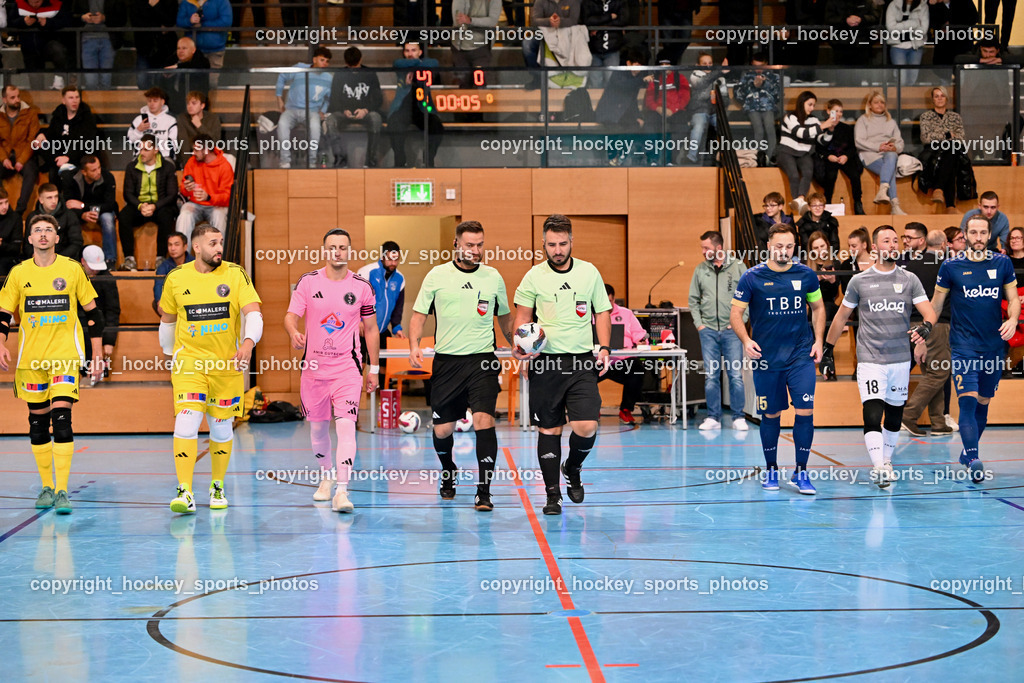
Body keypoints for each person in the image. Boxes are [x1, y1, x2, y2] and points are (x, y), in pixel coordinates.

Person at [0, 214, 104, 514]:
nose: (43, 234)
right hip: (31, 360)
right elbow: (4, 314)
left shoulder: (71, 270)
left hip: (65, 358)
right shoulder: (19, 274)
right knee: (37, 425)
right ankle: (46, 486)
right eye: (37, 230)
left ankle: (61, 490)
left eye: (49, 230)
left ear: (57, 238)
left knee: (62, 420)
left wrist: (97, 354)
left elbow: (94, 314)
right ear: (29, 239)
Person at [408, 221, 515, 510]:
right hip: (447, 363)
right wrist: (414, 344)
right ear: (456, 244)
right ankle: (448, 471)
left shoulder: (493, 277)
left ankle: (484, 490)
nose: (475, 250)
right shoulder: (437, 275)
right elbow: (418, 316)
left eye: (480, 244)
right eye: (469, 245)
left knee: (484, 421)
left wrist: (514, 343)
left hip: (482, 360)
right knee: (443, 430)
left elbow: (504, 317)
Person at [820, 225, 936, 488]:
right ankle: (878, 466)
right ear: (874, 248)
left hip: (900, 359)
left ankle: (886, 461)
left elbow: (929, 312)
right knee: (872, 413)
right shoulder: (859, 281)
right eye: (887, 241)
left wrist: (926, 328)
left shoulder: (909, 279)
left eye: (896, 240)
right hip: (870, 359)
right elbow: (840, 317)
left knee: (894, 416)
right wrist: (828, 349)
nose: (893, 245)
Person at [159, 224, 263, 513]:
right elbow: (167, 320)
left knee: (220, 429)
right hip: (189, 364)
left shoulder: (235, 273)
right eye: (213, 243)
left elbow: (254, 313)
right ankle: (185, 491)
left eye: (221, 242)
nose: (219, 248)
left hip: (226, 366)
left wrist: (248, 342)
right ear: (197, 247)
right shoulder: (177, 278)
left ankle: (217, 486)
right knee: (186, 422)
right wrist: (171, 355)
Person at [512, 214, 612, 515]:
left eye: (563, 243)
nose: (558, 249)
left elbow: (602, 312)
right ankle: (552, 495)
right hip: (545, 363)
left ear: (572, 242)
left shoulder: (589, 272)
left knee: (586, 425)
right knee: (549, 429)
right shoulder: (533, 276)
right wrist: (521, 346)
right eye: (552, 244)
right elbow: (522, 316)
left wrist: (605, 347)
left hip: (582, 361)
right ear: (543, 243)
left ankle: (573, 466)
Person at [285, 228, 380, 514]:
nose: (337, 252)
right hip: (314, 370)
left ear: (349, 251)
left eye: (343, 247)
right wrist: (293, 331)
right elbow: (291, 316)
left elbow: (372, 329)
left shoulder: (362, 287)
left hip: (347, 370)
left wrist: (373, 368)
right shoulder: (307, 282)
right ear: (324, 250)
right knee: (317, 428)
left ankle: (342, 490)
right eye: (332, 247)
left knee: (346, 426)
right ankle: (325, 477)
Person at [730, 224, 825, 494]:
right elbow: (735, 314)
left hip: (800, 356)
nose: (784, 251)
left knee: (805, 411)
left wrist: (818, 340)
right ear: (769, 245)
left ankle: (801, 472)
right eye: (779, 246)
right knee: (771, 414)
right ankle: (771, 469)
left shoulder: (806, 275)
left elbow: (818, 307)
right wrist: (746, 341)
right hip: (767, 359)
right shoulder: (751, 277)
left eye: (789, 246)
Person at [931, 214, 1020, 482]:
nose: (978, 238)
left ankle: (968, 455)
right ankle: (974, 457)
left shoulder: (1002, 263)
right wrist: (925, 329)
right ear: (965, 234)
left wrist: (1013, 319)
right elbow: (936, 304)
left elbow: (1013, 298)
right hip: (963, 347)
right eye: (973, 233)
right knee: (967, 402)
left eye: (983, 233)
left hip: (993, 346)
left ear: (990, 235)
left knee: (983, 402)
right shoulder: (950, 266)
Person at [689, 230, 748, 431]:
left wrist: (741, 321)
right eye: (702, 248)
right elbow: (693, 300)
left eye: (706, 248)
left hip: (733, 331)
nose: (703, 252)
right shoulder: (700, 270)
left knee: (735, 375)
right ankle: (713, 417)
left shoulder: (739, 267)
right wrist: (700, 324)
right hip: (708, 331)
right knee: (711, 375)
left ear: (718, 248)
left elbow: (751, 298)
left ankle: (739, 416)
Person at [902, 229, 954, 436]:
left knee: (932, 373)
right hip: (936, 323)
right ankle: (909, 414)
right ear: (943, 245)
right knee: (939, 372)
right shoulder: (945, 265)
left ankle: (938, 422)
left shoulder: (910, 264)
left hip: (913, 323)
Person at [119, 134, 179, 270]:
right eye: (140, 149)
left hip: (160, 206)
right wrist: (141, 206)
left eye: (146, 150)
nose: (142, 153)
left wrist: (154, 206)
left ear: (156, 150)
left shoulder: (167, 167)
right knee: (124, 216)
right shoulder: (132, 167)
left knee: (166, 215)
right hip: (139, 206)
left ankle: (161, 258)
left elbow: (172, 194)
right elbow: (127, 193)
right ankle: (129, 259)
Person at [387, 42, 444, 168]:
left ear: (420, 52)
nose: (410, 54)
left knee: (437, 126)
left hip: (422, 107)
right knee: (393, 125)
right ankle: (400, 161)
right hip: (403, 107)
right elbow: (398, 63)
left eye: (413, 50)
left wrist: (416, 65)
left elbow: (434, 63)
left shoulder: (426, 64)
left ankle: (428, 159)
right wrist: (419, 64)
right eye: (407, 51)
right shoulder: (400, 64)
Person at [778, 91, 834, 217]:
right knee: (793, 175)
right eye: (810, 104)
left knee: (808, 172)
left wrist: (829, 130)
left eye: (814, 105)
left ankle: (800, 199)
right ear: (801, 103)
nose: (812, 108)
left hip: (804, 153)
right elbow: (800, 132)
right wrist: (822, 126)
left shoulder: (813, 119)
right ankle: (800, 202)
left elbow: (822, 141)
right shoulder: (790, 117)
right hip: (787, 151)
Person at [326, 46, 384, 169]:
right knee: (331, 120)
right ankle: (340, 159)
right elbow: (334, 98)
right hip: (344, 112)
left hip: (365, 112)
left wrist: (365, 110)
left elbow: (378, 99)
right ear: (346, 63)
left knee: (376, 118)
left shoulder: (370, 73)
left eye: (355, 66)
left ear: (361, 60)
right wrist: (343, 110)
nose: (353, 69)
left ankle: (371, 160)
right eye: (351, 66)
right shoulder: (340, 74)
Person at [276, 47, 333, 169]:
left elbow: (329, 98)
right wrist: (279, 98)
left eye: (327, 61)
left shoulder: (328, 77)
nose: (325, 63)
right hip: (291, 109)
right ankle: (285, 161)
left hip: (312, 111)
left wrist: (323, 110)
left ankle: (311, 161)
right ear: (314, 59)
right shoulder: (300, 67)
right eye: (322, 60)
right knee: (282, 124)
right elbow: (282, 76)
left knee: (315, 128)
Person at [600, 283, 649, 425]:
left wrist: (642, 341)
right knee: (582, 371)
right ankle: (592, 409)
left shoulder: (626, 313)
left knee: (638, 369)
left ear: (613, 300)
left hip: (623, 362)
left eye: (609, 301)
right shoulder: (589, 314)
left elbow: (640, 335)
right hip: (598, 361)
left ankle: (626, 409)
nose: (606, 305)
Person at [59, 155, 118, 269]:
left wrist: (83, 206)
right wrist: (82, 214)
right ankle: (73, 259)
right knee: (69, 218)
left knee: (107, 219)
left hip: (101, 210)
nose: (98, 172)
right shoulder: (71, 178)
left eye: (99, 167)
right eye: (93, 170)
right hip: (80, 213)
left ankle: (110, 260)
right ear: (84, 172)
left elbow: (110, 205)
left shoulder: (107, 177)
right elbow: (68, 205)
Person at [856, 91, 908, 215]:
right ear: (869, 105)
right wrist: (878, 147)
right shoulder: (863, 120)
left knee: (892, 156)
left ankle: (883, 191)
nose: (879, 105)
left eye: (882, 102)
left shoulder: (891, 122)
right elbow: (859, 141)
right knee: (889, 171)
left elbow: (900, 143)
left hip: (888, 155)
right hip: (869, 155)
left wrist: (894, 147)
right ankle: (895, 205)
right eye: (876, 102)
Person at [32, 85, 99, 177]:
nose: (75, 101)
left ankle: (57, 164)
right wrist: (41, 135)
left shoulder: (87, 117)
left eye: (77, 97)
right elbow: (52, 133)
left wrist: (67, 157)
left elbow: (85, 142)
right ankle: (57, 162)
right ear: (64, 101)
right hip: (59, 154)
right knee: (38, 143)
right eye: (71, 98)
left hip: (77, 156)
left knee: (58, 173)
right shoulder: (59, 114)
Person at [176, 134, 234, 241]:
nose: (193, 153)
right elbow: (183, 189)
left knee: (219, 216)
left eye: (196, 150)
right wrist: (187, 189)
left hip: (216, 205)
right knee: (184, 214)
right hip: (195, 204)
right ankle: (183, 256)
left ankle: (217, 255)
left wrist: (209, 197)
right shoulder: (192, 162)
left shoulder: (224, 166)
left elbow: (227, 197)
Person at [814, 99, 865, 215]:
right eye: (835, 111)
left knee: (855, 175)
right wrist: (828, 156)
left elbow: (852, 147)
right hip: (830, 158)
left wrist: (846, 156)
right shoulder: (822, 127)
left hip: (844, 158)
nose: (838, 114)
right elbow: (819, 148)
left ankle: (858, 204)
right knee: (830, 176)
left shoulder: (847, 129)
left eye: (841, 111)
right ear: (828, 111)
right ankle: (828, 205)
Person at [919, 86, 965, 213]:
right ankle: (950, 205)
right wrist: (947, 135)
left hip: (952, 150)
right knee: (951, 153)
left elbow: (960, 138)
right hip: (933, 151)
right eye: (936, 96)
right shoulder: (926, 116)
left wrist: (940, 137)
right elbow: (925, 138)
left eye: (942, 96)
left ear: (947, 98)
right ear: (932, 99)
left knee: (952, 150)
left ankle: (939, 189)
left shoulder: (955, 117)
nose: (939, 98)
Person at [79, 244, 120, 379]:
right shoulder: (74, 277)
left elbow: (112, 311)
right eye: (92, 267)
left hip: (99, 325)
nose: (95, 271)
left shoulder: (107, 279)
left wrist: (109, 340)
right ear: (82, 262)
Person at [14, 0, 75, 91]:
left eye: (37, 2)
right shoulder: (19, 3)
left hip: (49, 45)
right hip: (29, 49)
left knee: (58, 50)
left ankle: (61, 79)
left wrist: (48, 23)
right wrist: (23, 22)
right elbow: (10, 22)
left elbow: (68, 21)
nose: (34, 4)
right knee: (36, 87)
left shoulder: (56, 3)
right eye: (32, 2)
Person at [0, 85, 42, 215]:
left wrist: (21, 161)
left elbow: (32, 140)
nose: (17, 100)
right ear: (4, 99)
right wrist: (4, 159)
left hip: (25, 154)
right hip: (5, 154)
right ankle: (2, 204)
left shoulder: (30, 114)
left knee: (31, 172)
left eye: (18, 96)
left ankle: (19, 211)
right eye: (12, 97)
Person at [733, 52, 780, 164]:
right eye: (755, 66)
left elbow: (777, 93)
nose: (758, 70)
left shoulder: (772, 76)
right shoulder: (746, 76)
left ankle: (769, 158)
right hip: (752, 108)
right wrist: (752, 86)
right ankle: (757, 158)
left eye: (761, 66)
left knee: (770, 129)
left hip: (768, 107)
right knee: (758, 130)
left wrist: (764, 84)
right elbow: (738, 93)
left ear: (766, 64)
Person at [358, 241, 406, 343]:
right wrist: (358, 320)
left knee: (383, 358)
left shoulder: (400, 278)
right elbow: (355, 300)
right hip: (362, 331)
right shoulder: (367, 272)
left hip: (382, 332)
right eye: (389, 259)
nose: (393, 263)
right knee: (363, 359)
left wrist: (397, 327)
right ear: (382, 257)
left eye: (396, 259)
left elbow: (398, 307)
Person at [73, 0, 126, 90]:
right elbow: (70, 16)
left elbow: (122, 19)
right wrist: (82, 17)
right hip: (87, 38)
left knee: (106, 80)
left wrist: (104, 18)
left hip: (108, 39)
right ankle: (92, 103)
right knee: (91, 81)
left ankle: (105, 104)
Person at [685, 52, 727, 165]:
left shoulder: (720, 77)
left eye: (710, 63)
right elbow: (701, 84)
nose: (708, 66)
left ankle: (726, 155)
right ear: (698, 65)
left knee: (723, 126)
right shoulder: (695, 75)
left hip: (715, 111)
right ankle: (691, 157)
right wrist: (719, 72)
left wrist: (719, 99)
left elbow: (726, 99)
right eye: (704, 63)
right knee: (699, 126)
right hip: (699, 110)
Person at [24, 183, 82, 261]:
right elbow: (27, 244)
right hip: (39, 260)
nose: (54, 201)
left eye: (56, 196)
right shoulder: (32, 217)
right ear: (41, 199)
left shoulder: (70, 215)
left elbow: (76, 243)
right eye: (49, 198)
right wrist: (33, 254)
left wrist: (56, 259)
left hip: (64, 260)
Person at [451, 0, 502, 88]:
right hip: (460, 46)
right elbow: (458, 22)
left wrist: (470, 20)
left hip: (482, 47)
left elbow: (492, 21)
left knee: (480, 85)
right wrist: (477, 23)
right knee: (464, 86)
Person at [176, 0, 230, 75]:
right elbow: (179, 21)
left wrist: (203, 24)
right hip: (192, 51)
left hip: (214, 50)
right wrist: (189, 21)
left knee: (212, 83)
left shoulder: (222, 1)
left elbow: (226, 22)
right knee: (191, 82)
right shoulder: (187, 2)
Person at [582, 0, 626, 89]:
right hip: (594, 48)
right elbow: (587, 20)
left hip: (612, 48)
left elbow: (623, 20)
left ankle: (610, 103)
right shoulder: (588, 2)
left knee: (611, 83)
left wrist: (599, 27)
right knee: (595, 83)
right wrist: (609, 16)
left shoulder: (620, 2)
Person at [126, 87, 179, 161]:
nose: (152, 104)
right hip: (141, 157)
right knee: (131, 168)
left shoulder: (171, 120)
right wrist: (138, 130)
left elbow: (173, 144)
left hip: (164, 158)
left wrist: (154, 152)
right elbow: (129, 142)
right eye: (149, 101)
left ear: (162, 102)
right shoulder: (138, 120)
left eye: (155, 101)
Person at [162, 37, 211, 115]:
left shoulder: (201, 61)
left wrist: (178, 67)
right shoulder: (171, 61)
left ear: (193, 50)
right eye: (178, 48)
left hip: (195, 106)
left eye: (184, 48)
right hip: (174, 105)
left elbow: (197, 65)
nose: (181, 51)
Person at [885, 0, 929, 85]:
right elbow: (891, 28)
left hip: (916, 47)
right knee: (901, 78)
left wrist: (900, 25)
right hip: (897, 47)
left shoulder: (923, 6)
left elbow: (923, 30)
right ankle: (899, 97)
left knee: (912, 77)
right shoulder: (894, 4)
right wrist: (914, 23)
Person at [175, 91, 222, 169]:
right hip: (191, 157)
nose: (190, 106)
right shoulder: (182, 118)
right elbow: (184, 144)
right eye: (188, 103)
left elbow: (215, 142)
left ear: (202, 106)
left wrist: (200, 126)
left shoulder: (213, 118)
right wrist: (188, 166)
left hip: (210, 157)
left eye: (194, 103)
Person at [805, 230, 841, 330]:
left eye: (822, 246)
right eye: (816, 248)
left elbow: (834, 295)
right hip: (811, 305)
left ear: (827, 246)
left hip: (828, 304)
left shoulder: (835, 263)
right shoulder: (805, 264)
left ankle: (822, 343)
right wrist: (816, 280)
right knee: (815, 309)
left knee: (826, 307)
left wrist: (832, 281)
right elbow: (804, 292)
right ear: (811, 250)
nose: (820, 250)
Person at [153, 232, 193, 316]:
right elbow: (159, 285)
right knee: (156, 302)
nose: (173, 248)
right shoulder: (164, 266)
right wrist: (159, 301)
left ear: (185, 247)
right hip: (174, 299)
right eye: (170, 245)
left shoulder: (195, 263)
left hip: (191, 297)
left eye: (176, 244)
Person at [0, 188, 22, 278]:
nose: (5, 206)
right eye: (0, 204)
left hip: (8, 258)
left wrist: (2, 244)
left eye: (6, 202)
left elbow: (16, 248)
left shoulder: (15, 218)